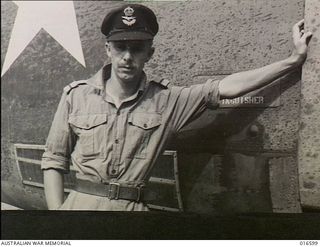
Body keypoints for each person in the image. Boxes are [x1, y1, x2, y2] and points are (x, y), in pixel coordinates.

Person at [41, 4, 312, 210]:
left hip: (131, 212)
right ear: (107, 49)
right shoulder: (76, 96)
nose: (126, 57)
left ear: (150, 53)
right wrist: (57, 218)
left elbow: (225, 87)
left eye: (136, 48)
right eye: (120, 47)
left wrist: (292, 60)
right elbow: (54, 160)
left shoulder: (167, 100)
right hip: (79, 207)